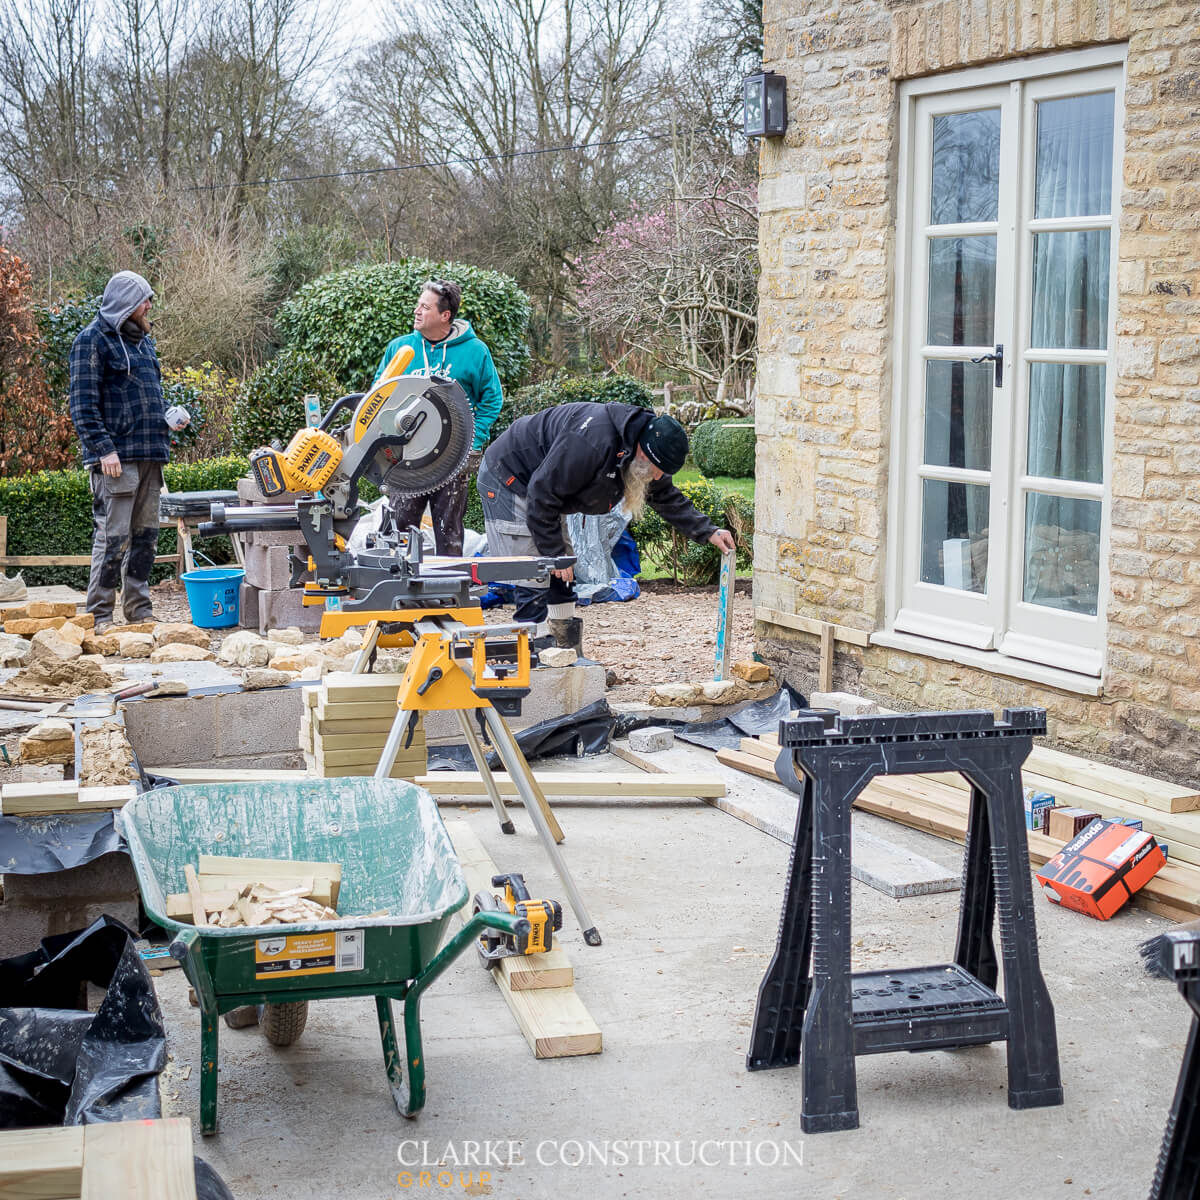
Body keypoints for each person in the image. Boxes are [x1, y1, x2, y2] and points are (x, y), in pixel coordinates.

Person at [478, 402, 736, 652]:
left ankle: (565, 651)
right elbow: (541, 494)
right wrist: (553, 552)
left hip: (546, 488)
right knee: (535, 568)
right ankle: (534, 657)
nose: (657, 477)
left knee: (563, 569)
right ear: (643, 454)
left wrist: (708, 531)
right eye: (658, 470)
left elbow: (664, 496)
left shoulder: (642, 444)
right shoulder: (591, 442)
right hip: (510, 475)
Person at [68, 270, 187, 631]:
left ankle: (139, 613)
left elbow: (146, 397)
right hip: (116, 460)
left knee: (145, 539)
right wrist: (103, 449)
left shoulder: (143, 342)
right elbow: (82, 405)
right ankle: (100, 616)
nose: (149, 305)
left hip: (152, 453)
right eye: (143, 300)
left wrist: (169, 416)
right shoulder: (91, 341)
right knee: (113, 539)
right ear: (125, 303)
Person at [372, 278, 503, 556]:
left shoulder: (475, 351)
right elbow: (378, 395)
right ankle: (399, 583)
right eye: (418, 305)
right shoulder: (400, 349)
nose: (416, 311)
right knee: (398, 534)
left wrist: (473, 439)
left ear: (445, 315)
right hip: (407, 459)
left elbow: (492, 399)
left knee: (449, 534)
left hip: (452, 460)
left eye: (425, 307)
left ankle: (449, 583)